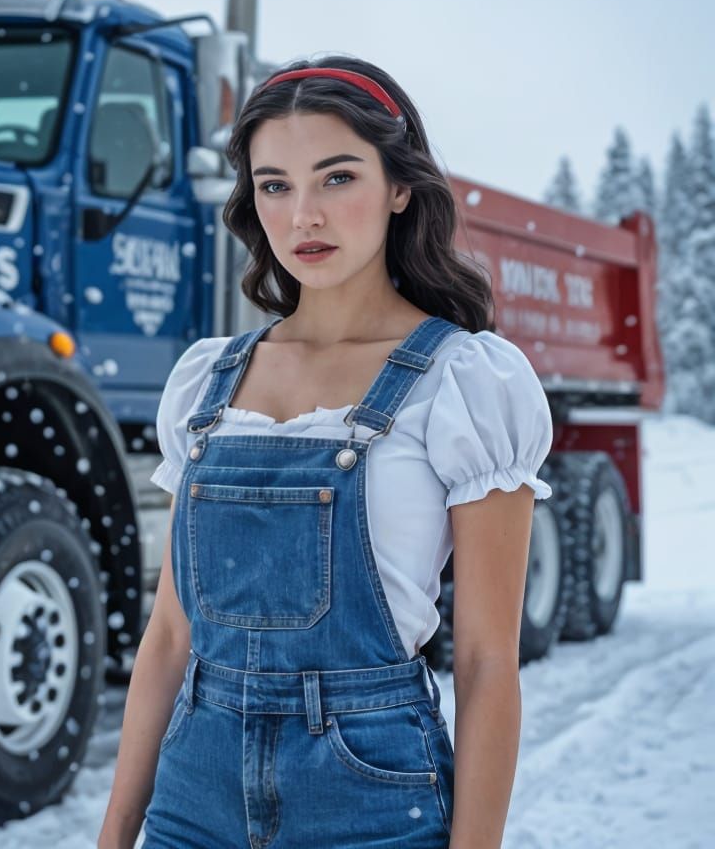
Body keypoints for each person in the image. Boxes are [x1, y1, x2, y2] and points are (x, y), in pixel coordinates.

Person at [97, 55, 553, 848]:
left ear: (400, 187)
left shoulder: (463, 381)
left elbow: (484, 663)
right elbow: (170, 636)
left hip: (369, 795)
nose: (303, 215)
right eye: (275, 185)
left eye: (336, 179)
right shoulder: (208, 379)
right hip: (192, 794)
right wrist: (114, 837)